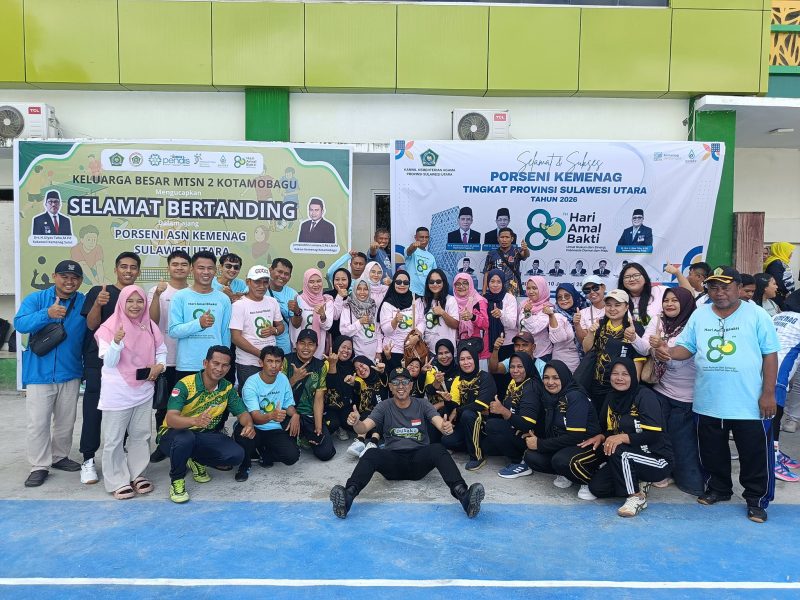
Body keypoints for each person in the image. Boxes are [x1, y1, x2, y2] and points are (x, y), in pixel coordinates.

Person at [669, 266, 780, 523]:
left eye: (725, 287)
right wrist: (667, 352)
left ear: (739, 288)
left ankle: (757, 500)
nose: (719, 292)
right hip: (708, 399)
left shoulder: (757, 315)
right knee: (712, 451)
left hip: (749, 402)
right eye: (713, 287)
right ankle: (719, 489)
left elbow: (770, 354)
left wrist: (768, 393)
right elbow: (686, 348)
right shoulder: (700, 314)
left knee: (755, 455)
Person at [330, 366, 485, 519]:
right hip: (393, 461)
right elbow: (363, 427)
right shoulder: (384, 406)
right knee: (371, 453)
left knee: (438, 449)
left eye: (404, 382)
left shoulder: (422, 404)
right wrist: (356, 422)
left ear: (411, 385)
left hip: (418, 461)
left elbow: (440, 424)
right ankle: (348, 496)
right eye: (396, 382)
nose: (401, 386)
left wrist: (446, 428)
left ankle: (464, 496)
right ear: (390, 386)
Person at [14, 260, 87, 487]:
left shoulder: (83, 302)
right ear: (54, 276)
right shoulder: (36, 299)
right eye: (64, 276)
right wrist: (47, 313)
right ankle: (39, 465)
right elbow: (20, 324)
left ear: (80, 281)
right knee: (38, 423)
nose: (69, 281)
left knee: (66, 421)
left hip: (70, 371)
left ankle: (59, 457)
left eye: (74, 278)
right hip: (39, 373)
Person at [157, 346, 256, 503]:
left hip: (203, 435)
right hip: (173, 435)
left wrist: (249, 425)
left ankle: (195, 459)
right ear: (205, 363)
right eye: (215, 363)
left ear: (229, 368)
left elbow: (242, 413)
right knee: (185, 438)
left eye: (224, 365)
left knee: (236, 455)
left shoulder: (227, 388)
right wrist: (194, 421)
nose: (219, 369)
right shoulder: (185, 384)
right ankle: (177, 480)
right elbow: (171, 419)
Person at [95, 286, 166, 499]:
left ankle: (137, 474)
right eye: (130, 301)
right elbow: (109, 362)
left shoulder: (149, 325)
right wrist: (116, 342)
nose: (135, 306)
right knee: (114, 438)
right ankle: (117, 480)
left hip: (144, 389)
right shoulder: (109, 328)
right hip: (117, 391)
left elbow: (161, 350)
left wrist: (159, 366)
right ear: (121, 303)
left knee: (141, 435)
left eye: (140, 301)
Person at [633, 286, 703, 496]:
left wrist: (663, 348)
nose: (669, 304)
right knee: (660, 437)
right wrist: (634, 337)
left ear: (686, 303)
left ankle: (687, 479)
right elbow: (644, 347)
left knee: (682, 442)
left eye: (675, 300)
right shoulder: (659, 321)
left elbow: (682, 358)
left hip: (687, 396)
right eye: (666, 300)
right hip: (661, 390)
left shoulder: (695, 324)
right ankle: (662, 472)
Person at [80, 251, 141, 485]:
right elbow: (91, 325)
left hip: (126, 364)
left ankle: (118, 454)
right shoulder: (100, 291)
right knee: (93, 411)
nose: (128, 271)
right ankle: (88, 459)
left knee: (123, 410)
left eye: (133, 267)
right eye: (124, 266)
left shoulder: (136, 296)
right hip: (99, 362)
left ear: (138, 271)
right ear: (116, 269)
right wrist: (98, 304)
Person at [584, 358, 672, 517]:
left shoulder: (645, 396)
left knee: (619, 450)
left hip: (656, 458)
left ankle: (636, 497)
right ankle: (639, 481)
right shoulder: (611, 397)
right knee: (597, 488)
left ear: (633, 375)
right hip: (628, 455)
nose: (619, 378)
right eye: (615, 374)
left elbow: (654, 434)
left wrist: (624, 438)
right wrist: (601, 436)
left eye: (625, 374)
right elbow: (609, 430)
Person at [523, 360, 602, 500]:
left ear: (564, 377)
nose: (550, 382)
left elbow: (575, 437)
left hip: (586, 446)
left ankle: (589, 479)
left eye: (556, 378)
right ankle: (567, 473)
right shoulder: (551, 397)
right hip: (565, 445)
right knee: (531, 456)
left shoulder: (575, 396)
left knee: (561, 460)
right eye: (546, 377)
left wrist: (540, 444)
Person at [147, 249, 191, 463]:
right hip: (164, 358)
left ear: (190, 268)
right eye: (175, 264)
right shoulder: (157, 290)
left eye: (184, 264)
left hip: (187, 359)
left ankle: (187, 447)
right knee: (163, 406)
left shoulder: (193, 292)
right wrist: (157, 295)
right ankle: (163, 445)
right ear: (168, 267)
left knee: (186, 406)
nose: (179, 268)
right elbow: (152, 321)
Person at [234, 346, 300, 482]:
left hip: (274, 428)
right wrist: (271, 416)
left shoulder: (283, 379)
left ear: (282, 364)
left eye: (277, 361)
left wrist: (295, 415)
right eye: (269, 361)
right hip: (254, 426)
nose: (274, 366)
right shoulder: (251, 383)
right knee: (243, 436)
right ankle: (245, 466)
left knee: (292, 457)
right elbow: (255, 417)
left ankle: (264, 452)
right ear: (261, 362)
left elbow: (288, 405)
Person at [169, 251, 232, 381]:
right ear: (192, 270)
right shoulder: (180, 296)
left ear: (215, 271)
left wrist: (224, 363)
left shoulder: (223, 299)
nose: (206, 272)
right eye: (201, 268)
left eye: (210, 268)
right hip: (187, 365)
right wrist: (199, 324)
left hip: (216, 367)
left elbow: (225, 335)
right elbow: (174, 331)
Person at [582, 289, 645, 411]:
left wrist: (632, 389)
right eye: (608, 305)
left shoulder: (634, 328)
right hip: (596, 385)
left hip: (619, 386)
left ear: (626, 307)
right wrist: (590, 333)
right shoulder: (600, 324)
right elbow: (587, 350)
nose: (612, 309)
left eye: (617, 305)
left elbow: (638, 360)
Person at [440, 342, 497, 471]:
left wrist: (458, 410)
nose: (466, 362)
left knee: (468, 414)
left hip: (484, 424)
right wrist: (448, 401)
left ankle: (477, 457)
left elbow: (481, 404)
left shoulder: (485, 377)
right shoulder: (458, 380)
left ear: (475, 359)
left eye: (469, 358)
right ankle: (473, 443)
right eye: (462, 359)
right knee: (447, 441)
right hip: (465, 423)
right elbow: (454, 405)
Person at [484, 353, 542, 479]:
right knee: (485, 445)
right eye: (512, 367)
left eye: (520, 367)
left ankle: (521, 462)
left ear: (528, 367)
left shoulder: (531, 387)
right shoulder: (514, 382)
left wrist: (502, 410)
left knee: (492, 425)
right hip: (514, 428)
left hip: (529, 436)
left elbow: (528, 424)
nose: (515, 371)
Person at [230, 265, 285, 394]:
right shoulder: (239, 305)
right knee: (249, 398)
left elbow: (281, 326)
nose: (261, 286)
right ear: (248, 282)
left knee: (269, 397)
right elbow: (236, 338)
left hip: (270, 362)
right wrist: (261, 355)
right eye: (257, 282)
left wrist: (274, 330)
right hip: (248, 363)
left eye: (265, 282)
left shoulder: (272, 302)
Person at [282, 329, 335, 461]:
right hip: (289, 413)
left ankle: (304, 435)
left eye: (311, 344)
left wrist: (318, 426)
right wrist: (294, 379)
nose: (306, 347)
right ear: (296, 345)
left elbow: (319, 398)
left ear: (316, 347)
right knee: (287, 452)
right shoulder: (286, 361)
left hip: (309, 415)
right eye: (302, 343)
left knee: (326, 453)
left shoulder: (320, 366)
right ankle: (298, 436)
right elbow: (278, 393)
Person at [774, 290, 800, 480]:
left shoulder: (778, 316)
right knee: (774, 417)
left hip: (762, 370)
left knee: (771, 417)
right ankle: (771, 458)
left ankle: (773, 451)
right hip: (778, 376)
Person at [519, 276, 573, 362]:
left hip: (542, 354)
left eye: (534, 288)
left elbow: (534, 329)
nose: (531, 291)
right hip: (523, 352)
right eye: (528, 288)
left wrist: (527, 313)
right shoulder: (523, 304)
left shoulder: (547, 308)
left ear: (542, 289)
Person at [345, 355, 387, 457]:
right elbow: (357, 384)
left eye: (362, 365)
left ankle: (373, 443)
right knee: (366, 413)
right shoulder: (360, 380)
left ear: (368, 363)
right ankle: (360, 442)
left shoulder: (380, 376)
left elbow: (385, 380)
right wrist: (352, 383)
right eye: (356, 369)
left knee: (379, 415)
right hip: (365, 421)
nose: (360, 369)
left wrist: (382, 372)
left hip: (383, 420)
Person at [289, 268, 334, 359]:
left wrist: (322, 315)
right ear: (306, 283)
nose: (316, 285)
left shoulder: (327, 302)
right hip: (300, 348)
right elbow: (294, 327)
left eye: (319, 281)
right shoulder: (299, 300)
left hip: (319, 348)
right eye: (311, 282)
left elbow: (327, 326)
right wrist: (295, 345)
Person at [483, 270, 519, 382]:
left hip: (507, 344)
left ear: (503, 283)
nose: (495, 285)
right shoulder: (484, 299)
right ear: (488, 283)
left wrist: (501, 314)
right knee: (492, 378)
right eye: (492, 281)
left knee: (508, 378)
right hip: (490, 345)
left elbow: (512, 323)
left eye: (498, 282)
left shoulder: (509, 298)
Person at [415, 269, 459, 354]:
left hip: (447, 352)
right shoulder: (421, 301)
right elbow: (418, 323)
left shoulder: (451, 300)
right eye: (431, 282)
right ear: (427, 284)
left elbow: (455, 325)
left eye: (438, 281)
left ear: (444, 283)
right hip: (428, 351)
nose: (435, 284)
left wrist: (442, 313)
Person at [379, 271, 416, 371]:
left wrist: (417, 336)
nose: (402, 285)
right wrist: (395, 321)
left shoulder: (415, 300)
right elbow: (385, 330)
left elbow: (421, 321)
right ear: (393, 283)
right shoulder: (387, 303)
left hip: (412, 349)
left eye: (406, 282)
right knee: (393, 379)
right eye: (398, 282)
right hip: (392, 351)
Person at [340, 276, 382, 361]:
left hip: (374, 355)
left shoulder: (373, 306)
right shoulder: (348, 307)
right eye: (359, 289)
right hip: (357, 354)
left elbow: (378, 331)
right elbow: (344, 331)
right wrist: (359, 322)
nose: (362, 292)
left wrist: (379, 351)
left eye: (365, 289)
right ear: (354, 290)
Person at [324, 336, 357, 442]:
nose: (346, 351)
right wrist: (332, 365)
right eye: (343, 347)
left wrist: (354, 383)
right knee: (332, 424)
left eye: (349, 348)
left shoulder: (352, 366)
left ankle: (342, 426)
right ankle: (337, 426)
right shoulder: (326, 363)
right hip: (329, 406)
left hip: (345, 406)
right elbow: (331, 385)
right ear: (337, 347)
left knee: (352, 423)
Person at [452, 273, 490, 359]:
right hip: (461, 347)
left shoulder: (479, 301)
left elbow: (486, 324)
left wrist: (473, 317)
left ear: (471, 284)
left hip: (478, 348)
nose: (461, 286)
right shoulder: (453, 302)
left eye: (465, 283)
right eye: (458, 284)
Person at [482, 228, 529, 295]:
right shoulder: (491, 253)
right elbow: (486, 273)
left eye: (507, 237)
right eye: (502, 237)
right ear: (498, 239)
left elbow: (525, 255)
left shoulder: (517, 251)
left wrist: (525, 249)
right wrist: (484, 293)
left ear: (512, 239)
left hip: (512, 290)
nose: (504, 240)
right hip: (495, 289)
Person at [618, 262, 664, 326]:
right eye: (627, 277)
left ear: (645, 277)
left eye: (636, 275)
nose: (632, 279)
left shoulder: (659, 291)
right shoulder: (617, 298)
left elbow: (679, 294)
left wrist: (677, 273)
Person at [268, 258, 298, 355]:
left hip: (283, 345)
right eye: (279, 272)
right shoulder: (257, 289)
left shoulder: (292, 294)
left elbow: (296, 324)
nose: (282, 276)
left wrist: (297, 311)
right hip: (260, 343)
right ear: (270, 270)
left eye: (286, 274)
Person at [552, 283, 585, 371]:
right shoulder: (554, 315)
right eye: (559, 297)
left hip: (582, 360)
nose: (563, 299)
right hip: (562, 361)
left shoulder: (584, 311)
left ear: (574, 296)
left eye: (567, 296)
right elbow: (558, 338)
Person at [404, 227, 437, 297]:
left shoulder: (431, 256)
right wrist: (413, 246)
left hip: (426, 293)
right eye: (421, 237)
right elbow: (409, 251)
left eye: (427, 237)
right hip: (411, 292)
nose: (424, 239)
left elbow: (434, 275)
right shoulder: (410, 249)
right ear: (415, 237)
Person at [574, 275, 606, 344]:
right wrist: (577, 325)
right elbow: (583, 341)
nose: (592, 292)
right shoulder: (582, 313)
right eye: (587, 290)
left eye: (595, 288)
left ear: (603, 288)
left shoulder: (615, 308)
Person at [764, 242, 796, 309]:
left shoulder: (779, 262)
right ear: (782, 251)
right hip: (778, 296)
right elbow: (777, 280)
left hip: (783, 295)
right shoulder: (775, 263)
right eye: (789, 251)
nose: (791, 254)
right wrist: (786, 293)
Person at [324, 267, 352, 341]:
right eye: (337, 279)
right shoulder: (326, 296)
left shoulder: (351, 299)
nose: (340, 282)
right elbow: (334, 316)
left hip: (347, 339)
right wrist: (339, 296)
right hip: (330, 338)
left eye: (343, 279)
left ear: (349, 281)